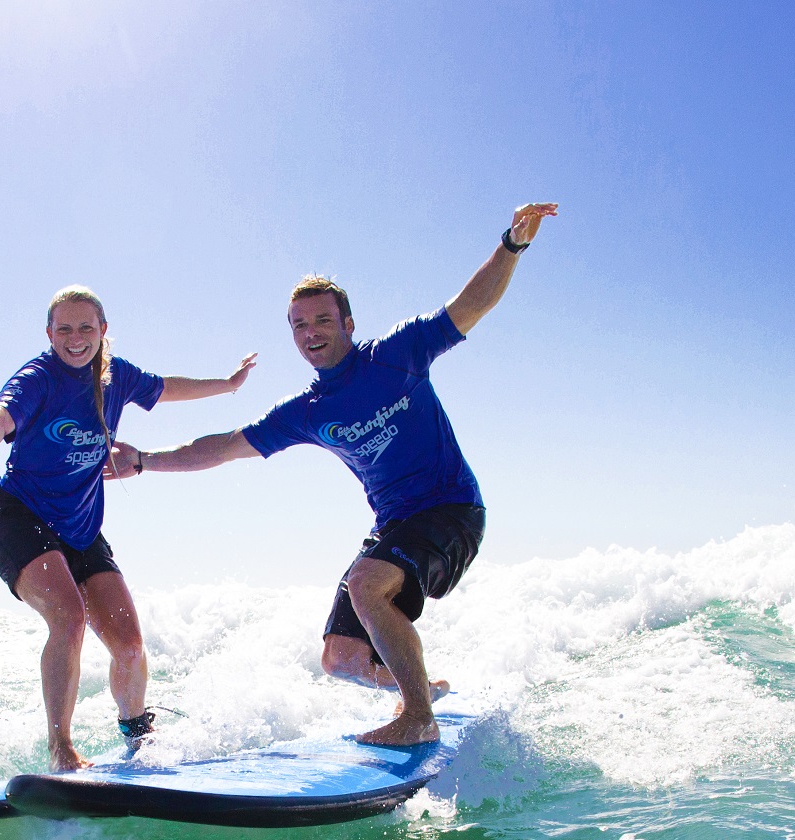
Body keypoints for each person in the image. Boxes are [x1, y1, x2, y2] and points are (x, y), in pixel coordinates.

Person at [109, 203, 558, 746]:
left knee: (368, 587)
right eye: (299, 325)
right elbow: (224, 447)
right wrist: (143, 461)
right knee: (340, 657)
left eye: (323, 320)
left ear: (348, 323)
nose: (310, 332)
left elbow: (470, 304)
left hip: (451, 510)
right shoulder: (306, 411)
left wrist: (511, 245)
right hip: (395, 525)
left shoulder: (399, 353)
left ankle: (417, 718)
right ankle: (421, 688)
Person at [0, 287, 256, 771]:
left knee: (129, 646)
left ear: (103, 331)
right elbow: (1, 411)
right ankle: (60, 749)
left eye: (86, 327)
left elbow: (167, 387)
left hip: (82, 529)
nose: (75, 338)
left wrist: (228, 385)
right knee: (67, 618)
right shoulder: (39, 377)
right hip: (20, 519)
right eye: (63, 329)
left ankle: (137, 735)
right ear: (49, 335)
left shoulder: (116, 375)